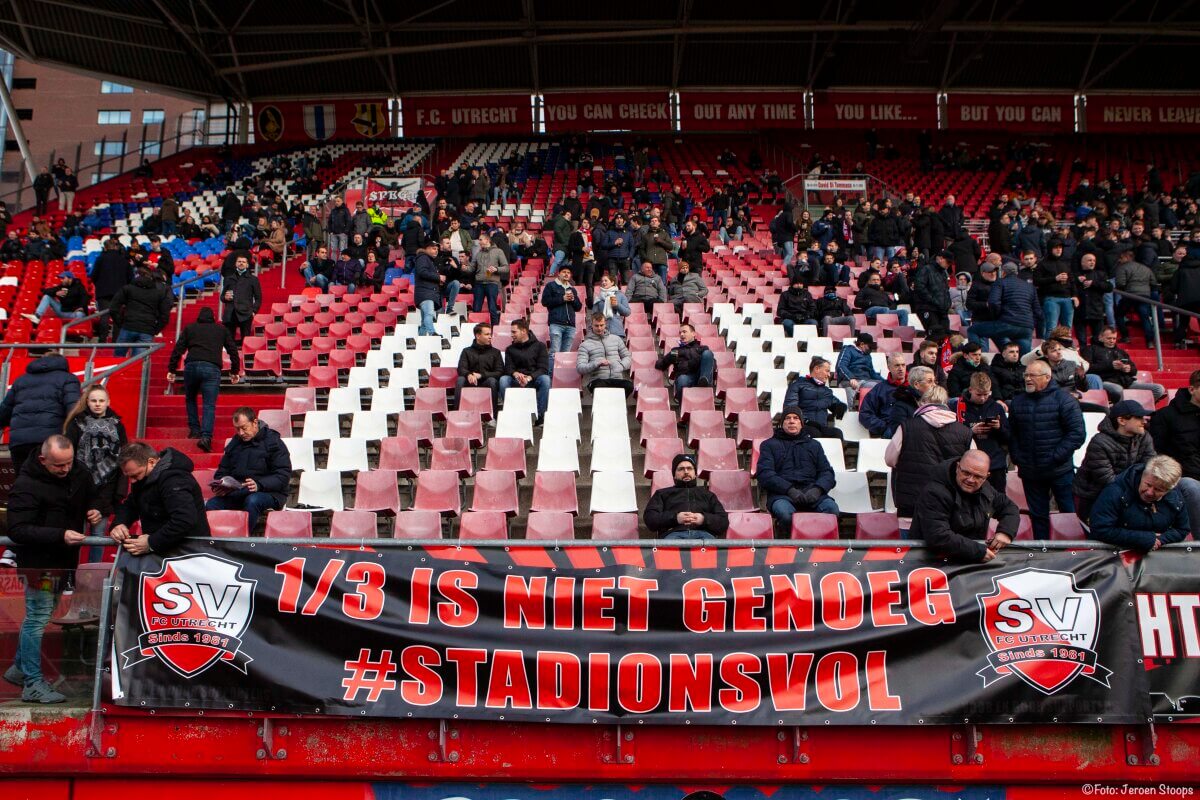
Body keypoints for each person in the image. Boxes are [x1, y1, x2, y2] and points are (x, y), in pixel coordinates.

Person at [4, 436, 104, 703]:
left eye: (69, 463)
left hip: (64, 562)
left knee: (42, 613)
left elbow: (94, 496)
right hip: (40, 565)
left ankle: (19, 669)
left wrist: (94, 509)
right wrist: (60, 535)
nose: (65, 469)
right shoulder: (26, 485)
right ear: (42, 459)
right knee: (38, 617)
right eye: (59, 465)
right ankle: (32, 683)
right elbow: (17, 529)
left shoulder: (78, 470)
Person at [1008, 360, 1086, 540]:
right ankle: (1041, 550)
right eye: (1026, 375)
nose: (1027, 379)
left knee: (1068, 512)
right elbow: (1013, 434)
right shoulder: (1018, 401)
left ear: (1047, 377)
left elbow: (1077, 434)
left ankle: (1072, 550)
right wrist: (1017, 457)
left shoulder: (1065, 400)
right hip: (1030, 471)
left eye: (1032, 376)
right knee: (1038, 515)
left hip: (1059, 470)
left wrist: (1055, 456)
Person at [885, 386, 973, 531]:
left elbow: (890, 459)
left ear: (922, 403)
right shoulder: (965, 432)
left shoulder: (907, 427)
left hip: (911, 507)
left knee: (910, 553)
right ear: (945, 403)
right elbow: (974, 466)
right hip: (950, 508)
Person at [910, 451, 1020, 562]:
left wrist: (1005, 532)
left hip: (968, 565)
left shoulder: (986, 489)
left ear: (986, 477)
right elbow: (938, 535)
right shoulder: (934, 492)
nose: (970, 480)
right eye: (966, 473)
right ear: (958, 467)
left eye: (977, 476)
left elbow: (1009, 507)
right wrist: (977, 551)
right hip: (932, 565)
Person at [110, 442, 210, 555]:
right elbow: (131, 504)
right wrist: (119, 524)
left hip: (189, 552)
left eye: (135, 475)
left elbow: (184, 519)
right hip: (166, 550)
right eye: (128, 476)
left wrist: (151, 543)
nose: (132, 481)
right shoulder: (143, 477)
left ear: (151, 462)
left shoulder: (174, 478)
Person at [63, 385, 127, 557]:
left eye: (101, 400)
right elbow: (69, 460)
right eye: (93, 400)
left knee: (98, 539)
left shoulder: (118, 425)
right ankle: (69, 579)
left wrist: (101, 505)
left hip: (106, 491)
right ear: (87, 402)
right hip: (77, 490)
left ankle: (93, 581)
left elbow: (120, 463)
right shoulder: (76, 424)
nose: (98, 404)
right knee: (73, 539)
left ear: (108, 402)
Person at [204, 408, 292, 533]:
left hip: (271, 493)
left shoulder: (274, 442)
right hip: (239, 492)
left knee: (252, 500)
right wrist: (221, 485)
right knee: (212, 504)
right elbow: (222, 471)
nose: (240, 432)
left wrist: (259, 485)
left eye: (244, 428)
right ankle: (217, 541)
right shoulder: (234, 444)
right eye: (237, 429)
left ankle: (241, 539)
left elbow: (283, 475)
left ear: (255, 423)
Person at [167, 306, 241, 452]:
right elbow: (233, 350)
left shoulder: (190, 328)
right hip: (212, 367)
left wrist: (172, 369)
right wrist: (234, 371)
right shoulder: (221, 330)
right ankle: (206, 437)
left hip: (192, 366)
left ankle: (194, 429)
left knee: (190, 398)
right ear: (213, 317)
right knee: (209, 404)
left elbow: (178, 349)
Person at [755, 407, 839, 532]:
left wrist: (817, 490)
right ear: (782, 423)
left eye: (796, 418)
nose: (792, 421)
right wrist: (789, 490)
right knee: (785, 513)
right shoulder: (769, 445)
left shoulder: (814, 445)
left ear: (801, 423)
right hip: (782, 495)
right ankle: (788, 546)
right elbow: (765, 474)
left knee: (831, 509)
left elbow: (826, 472)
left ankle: (818, 545)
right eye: (788, 418)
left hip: (812, 494)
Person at [1073, 399, 1154, 524]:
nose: (1144, 421)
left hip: (1130, 496)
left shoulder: (1144, 437)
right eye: (1138, 417)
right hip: (1094, 499)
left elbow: (1149, 468)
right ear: (1121, 421)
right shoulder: (1099, 442)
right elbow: (1107, 480)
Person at [0, 350, 81, 473]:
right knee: (50, 485)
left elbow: (4, 412)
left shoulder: (20, 380)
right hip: (50, 443)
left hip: (20, 442)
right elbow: (74, 411)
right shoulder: (68, 379)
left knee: (23, 485)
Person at [1089, 457, 1190, 553]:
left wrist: (1160, 540)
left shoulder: (1174, 497)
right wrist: (1143, 539)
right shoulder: (1115, 492)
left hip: (1157, 557)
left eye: (1158, 489)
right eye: (1148, 485)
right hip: (1113, 555)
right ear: (1142, 475)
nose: (1149, 492)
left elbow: (1182, 529)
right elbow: (1100, 529)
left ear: (1168, 490)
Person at [1148, 369, 1200, 537]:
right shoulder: (1166, 416)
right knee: (1192, 487)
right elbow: (1157, 454)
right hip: (1181, 477)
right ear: (1192, 389)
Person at [644, 454, 729, 540]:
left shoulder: (708, 495)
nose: (686, 472)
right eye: (681, 469)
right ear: (674, 475)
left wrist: (703, 519)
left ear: (695, 474)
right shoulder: (662, 494)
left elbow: (724, 522)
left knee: (713, 549)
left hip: (704, 535)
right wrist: (675, 518)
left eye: (689, 468)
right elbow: (650, 519)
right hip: (673, 535)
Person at [1080, 326, 1165, 404]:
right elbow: (1087, 368)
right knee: (1118, 390)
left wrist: (1128, 369)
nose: (1112, 341)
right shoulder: (1090, 349)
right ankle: (1124, 411)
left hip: (1127, 382)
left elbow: (1134, 370)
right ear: (1100, 337)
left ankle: (1137, 407)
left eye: (1114, 338)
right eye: (1109, 338)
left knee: (1159, 389)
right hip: (1105, 381)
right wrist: (1110, 365)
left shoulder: (1121, 352)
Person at [969, 261, 1041, 354]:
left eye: (994, 272)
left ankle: (975, 357)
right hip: (1023, 326)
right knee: (1023, 358)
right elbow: (1038, 310)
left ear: (1002, 272)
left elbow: (994, 303)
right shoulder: (1029, 286)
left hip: (1003, 323)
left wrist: (997, 316)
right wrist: (1031, 323)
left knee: (973, 330)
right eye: (990, 272)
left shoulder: (1000, 283)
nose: (993, 274)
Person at [955, 372, 1010, 492]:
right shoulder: (959, 406)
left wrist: (999, 427)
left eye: (986, 394)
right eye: (979, 394)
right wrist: (971, 432)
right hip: (970, 466)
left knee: (996, 502)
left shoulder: (996, 407)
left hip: (995, 464)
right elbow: (953, 436)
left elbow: (1008, 437)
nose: (983, 398)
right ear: (970, 390)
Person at [108, 265, 171, 357]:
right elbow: (165, 315)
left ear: (137, 275)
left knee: (118, 361)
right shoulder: (159, 294)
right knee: (138, 363)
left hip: (128, 326)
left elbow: (113, 308)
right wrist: (155, 329)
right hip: (147, 329)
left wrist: (121, 323)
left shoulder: (127, 289)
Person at [500, 318, 551, 424]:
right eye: (511, 332)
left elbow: (543, 368)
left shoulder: (540, 346)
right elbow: (508, 368)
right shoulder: (510, 349)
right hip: (517, 379)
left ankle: (540, 416)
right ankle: (512, 412)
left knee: (545, 379)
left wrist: (528, 378)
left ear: (524, 331)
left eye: (514, 332)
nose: (511, 335)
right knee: (503, 380)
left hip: (533, 379)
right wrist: (515, 374)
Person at [783, 356, 847, 440]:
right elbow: (790, 408)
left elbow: (836, 403)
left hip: (821, 427)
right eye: (827, 371)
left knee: (837, 433)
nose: (829, 375)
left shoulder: (826, 391)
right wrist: (805, 421)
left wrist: (841, 406)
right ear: (817, 369)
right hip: (802, 425)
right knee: (814, 432)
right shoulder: (798, 385)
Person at [656, 323, 714, 402]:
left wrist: (688, 364)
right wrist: (667, 357)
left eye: (684, 332)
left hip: (700, 375)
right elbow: (662, 365)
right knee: (682, 379)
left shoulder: (702, 349)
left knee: (708, 353)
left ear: (693, 334)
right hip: (686, 377)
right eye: (680, 333)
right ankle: (684, 405)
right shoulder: (676, 351)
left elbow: (712, 364)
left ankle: (704, 380)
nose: (682, 334)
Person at [577, 312, 633, 394]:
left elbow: (628, 357)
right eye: (596, 325)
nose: (599, 328)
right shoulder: (585, 345)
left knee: (629, 386)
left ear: (605, 324)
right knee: (599, 387)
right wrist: (596, 363)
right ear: (591, 325)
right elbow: (580, 368)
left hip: (617, 378)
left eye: (601, 325)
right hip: (597, 380)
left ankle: (618, 405)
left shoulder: (616, 339)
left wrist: (621, 365)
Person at [455, 323, 504, 409]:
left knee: (492, 381)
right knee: (460, 379)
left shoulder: (496, 352)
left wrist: (482, 375)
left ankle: (493, 416)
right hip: (471, 382)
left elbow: (499, 372)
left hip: (486, 382)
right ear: (478, 336)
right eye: (487, 334)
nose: (490, 337)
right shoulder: (466, 351)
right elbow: (461, 368)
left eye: (490, 334)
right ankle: (457, 413)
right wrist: (468, 375)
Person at [859, 353, 907, 437]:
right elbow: (865, 414)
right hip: (890, 430)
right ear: (889, 368)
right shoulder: (879, 389)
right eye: (897, 365)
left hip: (911, 429)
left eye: (903, 365)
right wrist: (884, 427)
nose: (901, 369)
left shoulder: (914, 387)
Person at [541, 264, 582, 361]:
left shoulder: (572, 289)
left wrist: (573, 300)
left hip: (570, 325)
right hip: (556, 323)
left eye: (568, 273)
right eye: (564, 272)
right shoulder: (551, 286)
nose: (566, 274)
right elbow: (545, 302)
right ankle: (551, 375)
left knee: (566, 354)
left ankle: (561, 374)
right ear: (559, 274)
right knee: (554, 352)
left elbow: (578, 307)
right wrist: (562, 298)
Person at [221, 254, 262, 343]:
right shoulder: (228, 278)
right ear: (236, 264)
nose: (241, 263)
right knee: (229, 341)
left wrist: (253, 311)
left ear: (247, 265)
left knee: (246, 341)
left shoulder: (253, 279)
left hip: (246, 313)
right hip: (230, 313)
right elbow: (222, 297)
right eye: (239, 261)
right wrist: (225, 297)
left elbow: (258, 298)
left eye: (243, 262)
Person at [23, 271, 89, 326]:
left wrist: (82, 307)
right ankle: (37, 316)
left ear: (70, 278)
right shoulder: (61, 286)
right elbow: (45, 291)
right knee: (47, 297)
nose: (61, 280)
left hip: (76, 313)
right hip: (63, 311)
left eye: (63, 278)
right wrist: (56, 293)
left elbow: (85, 297)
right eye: (61, 278)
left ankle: (73, 332)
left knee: (80, 314)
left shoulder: (79, 286)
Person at [471, 231, 508, 325]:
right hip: (479, 283)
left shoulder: (498, 251)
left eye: (480, 240)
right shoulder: (478, 253)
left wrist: (496, 269)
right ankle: (476, 329)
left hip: (492, 283)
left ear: (487, 240)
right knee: (476, 309)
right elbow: (471, 268)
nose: (479, 242)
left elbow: (506, 268)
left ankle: (494, 329)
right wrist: (462, 267)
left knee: (492, 308)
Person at [912, 251, 952, 333]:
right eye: (948, 262)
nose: (949, 265)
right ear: (940, 258)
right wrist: (933, 300)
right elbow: (919, 287)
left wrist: (947, 303)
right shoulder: (926, 269)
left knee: (946, 334)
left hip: (941, 309)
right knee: (935, 334)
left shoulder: (943, 273)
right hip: (927, 308)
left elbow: (945, 290)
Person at [412, 237, 443, 336]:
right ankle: (432, 333)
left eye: (437, 249)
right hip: (425, 293)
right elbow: (422, 272)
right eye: (434, 248)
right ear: (427, 249)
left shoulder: (427, 259)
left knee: (424, 323)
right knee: (429, 314)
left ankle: (421, 340)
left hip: (426, 292)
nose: (436, 251)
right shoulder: (423, 258)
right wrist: (438, 277)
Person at [591, 272, 631, 337]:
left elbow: (627, 312)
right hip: (601, 332)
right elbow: (593, 315)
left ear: (612, 282)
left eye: (606, 280)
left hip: (616, 330)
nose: (603, 283)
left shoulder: (620, 295)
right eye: (602, 281)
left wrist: (617, 305)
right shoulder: (598, 297)